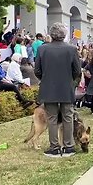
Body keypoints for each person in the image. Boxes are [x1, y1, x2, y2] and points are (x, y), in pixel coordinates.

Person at [35, 23, 81, 158]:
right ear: (64, 34)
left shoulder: (42, 49)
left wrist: (45, 78)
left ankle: (54, 147)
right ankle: (69, 146)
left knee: (52, 118)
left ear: (51, 34)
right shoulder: (72, 49)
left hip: (48, 87)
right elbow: (77, 71)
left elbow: (37, 70)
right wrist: (69, 80)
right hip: (66, 87)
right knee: (68, 117)